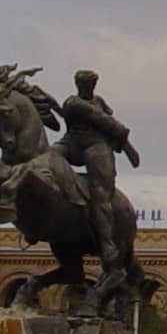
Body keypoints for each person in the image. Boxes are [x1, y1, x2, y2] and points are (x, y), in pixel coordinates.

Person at [53, 70, 140, 269]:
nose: (86, 88)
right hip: (72, 142)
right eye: (82, 84)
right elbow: (105, 121)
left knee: (100, 192)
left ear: (94, 85)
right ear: (77, 85)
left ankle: (107, 242)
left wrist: (123, 142)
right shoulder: (73, 102)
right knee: (46, 159)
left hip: (96, 145)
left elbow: (106, 118)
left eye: (89, 84)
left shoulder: (98, 102)